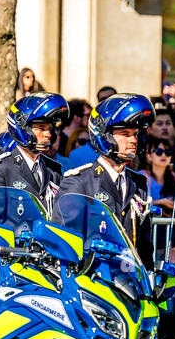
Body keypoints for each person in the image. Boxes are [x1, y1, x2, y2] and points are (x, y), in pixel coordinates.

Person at [57, 93, 153, 245]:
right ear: (105, 136)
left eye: (135, 134)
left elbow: (144, 246)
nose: (133, 140)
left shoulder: (139, 183)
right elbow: (65, 242)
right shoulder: (78, 183)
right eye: (125, 134)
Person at [0, 94, 71, 219]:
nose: (48, 134)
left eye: (50, 128)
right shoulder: (0, 169)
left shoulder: (54, 169)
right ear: (23, 128)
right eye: (41, 128)